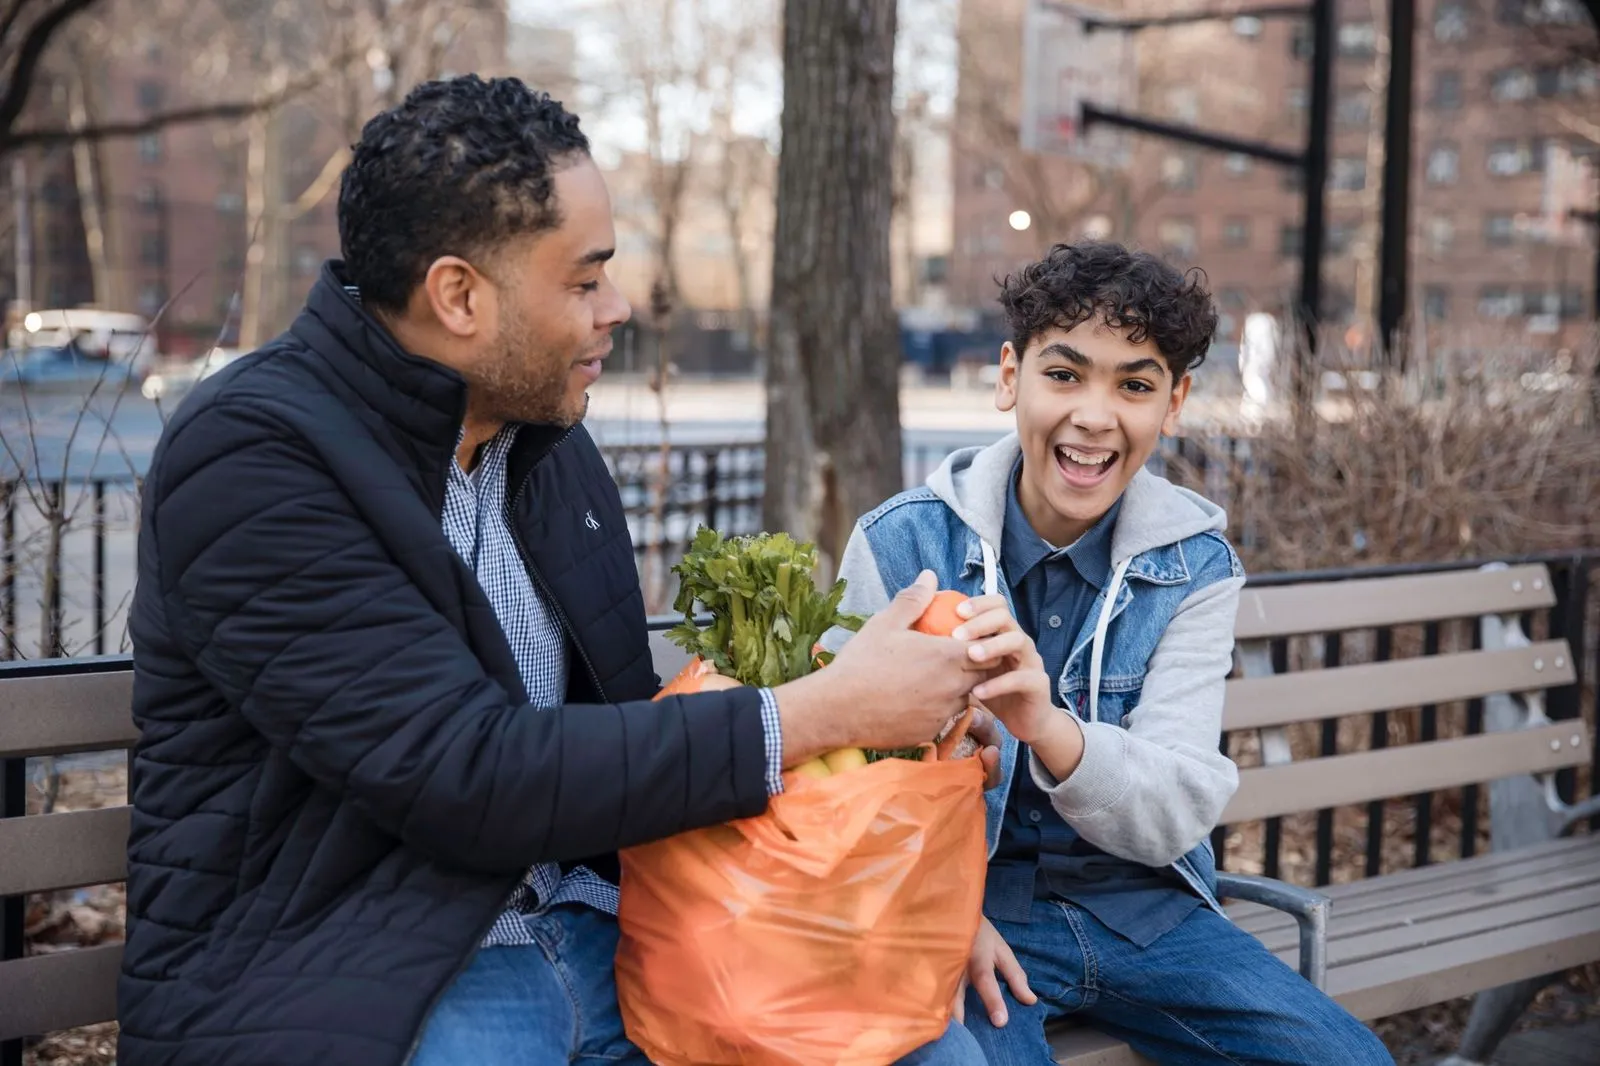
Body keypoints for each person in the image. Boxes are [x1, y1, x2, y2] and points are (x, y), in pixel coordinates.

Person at [119, 76, 986, 1066]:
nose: (618, 307)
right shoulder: (255, 457)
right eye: (583, 280)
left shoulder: (543, 445)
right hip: (368, 968)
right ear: (458, 295)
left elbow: (616, 730)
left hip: (601, 933)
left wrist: (882, 751)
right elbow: (464, 770)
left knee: (931, 1051)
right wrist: (826, 715)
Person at [833, 242, 1395, 1065]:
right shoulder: (902, 542)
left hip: (1142, 910)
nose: (1095, 416)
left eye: (1134, 384)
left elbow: (1175, 808)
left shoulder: (1195, 569)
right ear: (1008, 378)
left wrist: (1045, 725)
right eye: (1064, 375)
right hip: (967, 909)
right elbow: (842, 783)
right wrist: (940, 910)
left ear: (1173, 404)